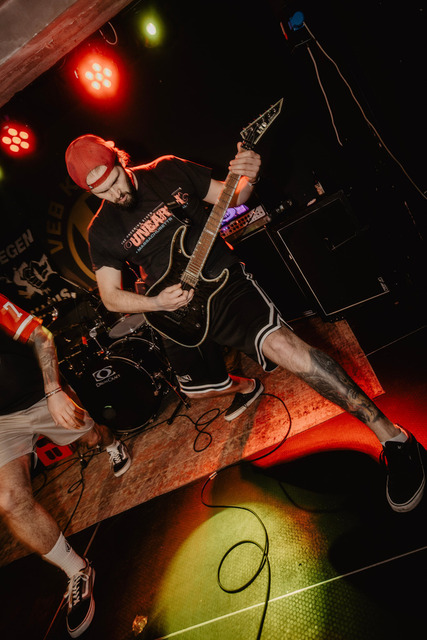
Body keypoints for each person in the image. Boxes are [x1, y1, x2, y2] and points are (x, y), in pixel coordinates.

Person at [65, 133, 425, 515]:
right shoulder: (101, 232)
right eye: (101, 192)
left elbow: (234, 196)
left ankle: (393, 438)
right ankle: (247, 387)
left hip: (224, 285)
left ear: (119, 160)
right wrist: (155, 303)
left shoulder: (166, 171)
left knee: (287, 349)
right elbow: (110, 296)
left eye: (114, 181)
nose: (113, 194)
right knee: (198, 391)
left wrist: (248, 177)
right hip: (174, 312)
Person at [0, 292, 131, 638]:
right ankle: (77, 570)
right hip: (2, 422)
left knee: (92, 437)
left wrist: (53, 391)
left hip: (38, 397)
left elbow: (40, 334)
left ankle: (112, 444)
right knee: (10, 501)